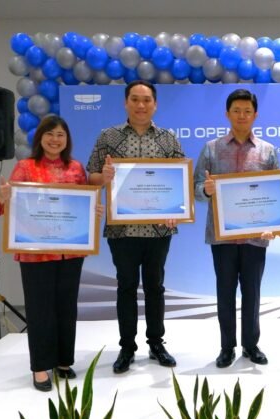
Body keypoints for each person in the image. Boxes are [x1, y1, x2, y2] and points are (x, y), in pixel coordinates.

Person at [0, 115, 101, 391]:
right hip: (36, 253)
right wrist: (3, 198)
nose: (55, 140)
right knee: (40, 309)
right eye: (50, 134)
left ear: (67, 140)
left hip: (70, 253)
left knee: (66, 307)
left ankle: (64, 360)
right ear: (40, 137)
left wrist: (93, 210)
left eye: (60, 135)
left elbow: (83, 205)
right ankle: (41, 367)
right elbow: (10, 204)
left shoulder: (75, 168)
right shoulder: (25, 167)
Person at [87, 80, 184, 374]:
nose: (141, 105)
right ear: (125, 102)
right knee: (126, 287)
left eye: (146, 100)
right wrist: (103, 177)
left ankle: (156, 343)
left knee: (155, 287)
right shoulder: (108, 136)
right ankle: (127, 347)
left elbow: (178, 181)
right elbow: (91, 177)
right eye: (135, 99)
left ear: (155, 104)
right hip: (122, 230)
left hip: (158, 229)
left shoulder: (168, 138)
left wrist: (176, 211)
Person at [193, 89, 280, 368]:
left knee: (252, 294)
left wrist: (274, 224)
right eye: (236, 111)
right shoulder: (211, 149)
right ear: (227, 114)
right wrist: (206, 190)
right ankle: (227, 347)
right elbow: (195, 189)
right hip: (222, 237)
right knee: (225, 293)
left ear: (255, 114)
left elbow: (276, 193)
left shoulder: (267, 150)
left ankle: (251, 345)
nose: (242, 116)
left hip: (256, 236)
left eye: (247, 111)